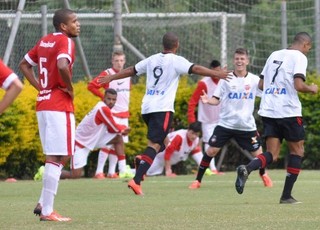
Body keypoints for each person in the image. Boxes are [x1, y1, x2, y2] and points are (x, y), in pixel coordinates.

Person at [98, 31, 231, 195]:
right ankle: (136, 180)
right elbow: (195, 68)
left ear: (163, 45)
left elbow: (132, 70)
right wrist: (217, 73)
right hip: (162, 109)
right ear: (177, 45)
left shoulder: (152, 59)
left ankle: (142, 160)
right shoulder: (175, 60)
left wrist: (112, 78)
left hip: (146, 108)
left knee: (164, 143)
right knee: (154, 145)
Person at [235, 32, 318, 204]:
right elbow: (298, 85)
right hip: (288, 111)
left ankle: (247, 168)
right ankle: (286, 196)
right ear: (305, 44)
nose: (307, 52)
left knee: (272, 153)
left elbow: (261, 84)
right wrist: (312, 88)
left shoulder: (274, 54)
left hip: (269, 111)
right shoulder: (300, 57)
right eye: (308, 49)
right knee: (297, 151)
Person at [19, 8, 80, 222]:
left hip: (44, 104)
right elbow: (63, 65)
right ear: (63, 26)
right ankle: (47, 210)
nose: (78, 24)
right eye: (74, 21)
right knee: (60, 155)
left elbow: (24, 64)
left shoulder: (44, 40)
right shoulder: (66, 42)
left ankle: (43, 202)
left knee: (57, 155)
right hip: (59, 104)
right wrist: (70, 88)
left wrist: (41, 87)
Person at [189, 48, 273, 190]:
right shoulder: (226, 78)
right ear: (233, 60)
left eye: (242, 59)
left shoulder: (254, 80)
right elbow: (216, 99)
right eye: (237, 59)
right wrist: (208, 100)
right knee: (211, 151)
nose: (239, 61)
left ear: (247, 61)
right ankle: (198, 181)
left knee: (259, 154)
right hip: (225, 124)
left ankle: (264, 175)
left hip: (246, 126)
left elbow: (266, 93)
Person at [60, 88, 130, 179]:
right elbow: (114, 127)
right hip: (80, 143)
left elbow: (113, 130)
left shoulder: (103, 107)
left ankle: (123, 170)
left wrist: (121, 131)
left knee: (118, 138)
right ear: (104, 98)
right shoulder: (103, 109)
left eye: (114, 99)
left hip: (93, 140)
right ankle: (47, 172)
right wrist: (124, 129)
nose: (111, 102)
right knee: (75, 175)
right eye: (109, 99)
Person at [87, 51, 133, 179]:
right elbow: (91, 86)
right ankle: (99, 171)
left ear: (124, 61)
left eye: (121, 60)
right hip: (112, 113)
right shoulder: (108, 74)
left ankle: (112, 172)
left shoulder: (128, 75)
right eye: (116, 60)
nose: (119, 63)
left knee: (118, 144)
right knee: (108, 142)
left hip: (124, 114)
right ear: (112, 61)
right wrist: (104, 97)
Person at [187, 59, 224, 175]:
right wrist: (192, 121)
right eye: (215, 71)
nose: (217, 73)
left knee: (217, 144)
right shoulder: (204, 83)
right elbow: (192, 102)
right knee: (209, 143)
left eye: (219, 71)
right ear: (211, 71)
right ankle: (212, 169)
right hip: (207, 121)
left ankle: (211, 168)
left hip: (221, 120)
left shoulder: (224, 81)